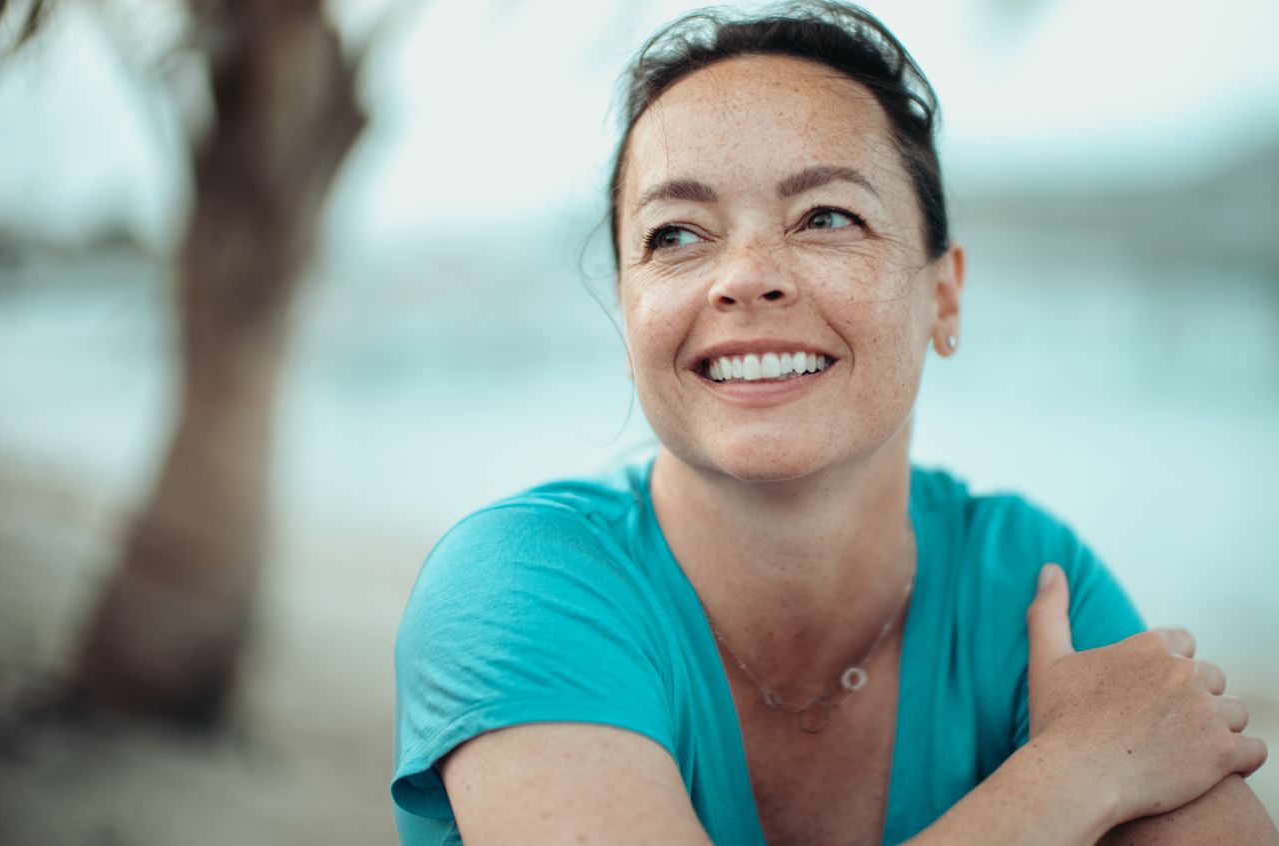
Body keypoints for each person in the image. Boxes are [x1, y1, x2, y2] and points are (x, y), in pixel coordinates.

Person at [391, 3, 1274, 844]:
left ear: (944, 295)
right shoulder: (521, 585)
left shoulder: (1025, 581)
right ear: (627, 316)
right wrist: (1079, 772)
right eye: (675, 235)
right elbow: (1117, 754)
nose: (745, 276)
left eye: (826, 216)